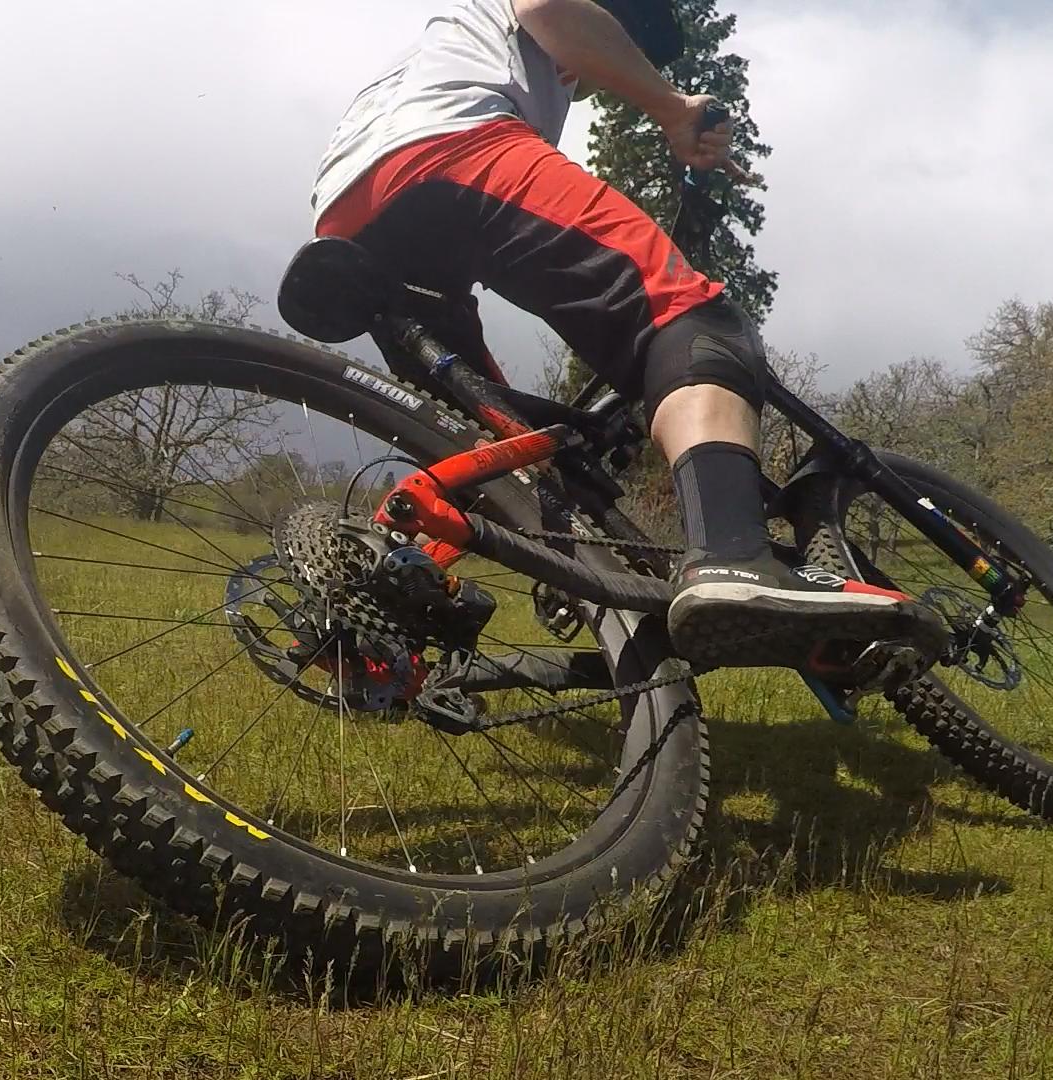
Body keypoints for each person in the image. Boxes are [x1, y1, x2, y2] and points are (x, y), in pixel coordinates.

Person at [312, 0, 927, 670]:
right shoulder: (514, 53)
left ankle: (361, 631)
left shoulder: (460, 54)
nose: (608, 71)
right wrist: (672, 107)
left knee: (499, 444)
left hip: (348, 204)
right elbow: (551, 7)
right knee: (695, 322)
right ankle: (732, 557)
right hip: (453, 144)